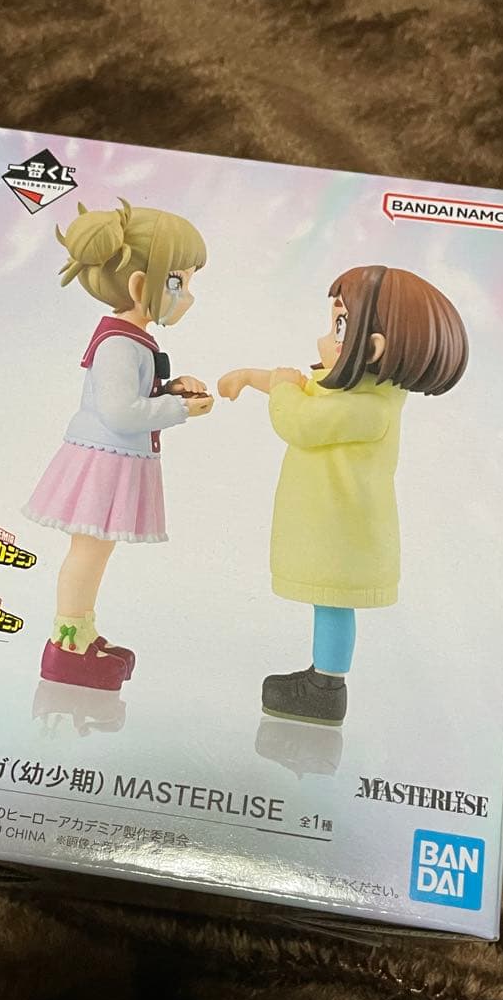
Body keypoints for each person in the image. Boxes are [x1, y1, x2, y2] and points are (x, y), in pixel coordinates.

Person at [218, 265, 468, 725]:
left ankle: (326, 687)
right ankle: (322, 676)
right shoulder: (353, 392)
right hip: (334, 529)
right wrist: (254, 377)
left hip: (344, 535)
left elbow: (300, 421)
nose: (325, 339)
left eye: (339, 326)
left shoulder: (369, 408)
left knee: (333, 603)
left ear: (373, 348)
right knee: (328, 602)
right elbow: (305, 388)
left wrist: (280, 387)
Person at [24, 199, 213, 690]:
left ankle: (80, 636)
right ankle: (65, 649)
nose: (188, 296)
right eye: (179, 283)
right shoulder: (119, 345)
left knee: (95, 551)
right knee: (88, 552)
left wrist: (171, 391)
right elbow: (120, 412)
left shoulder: (131, 341)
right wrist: (179, 410)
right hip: (103, 463)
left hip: (112, 461)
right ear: (139, 286)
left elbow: (133, 399)